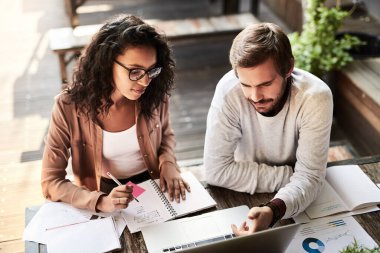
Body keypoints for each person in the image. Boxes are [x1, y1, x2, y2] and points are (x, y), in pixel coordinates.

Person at [41, 14, 190, 213]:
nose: (145, 82)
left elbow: (165, 135)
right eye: (135, 71)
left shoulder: (155, 94)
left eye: (151, 70)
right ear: (107, 63)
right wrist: (100, 201)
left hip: (155, 184)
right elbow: (50, 181)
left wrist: (168, 163)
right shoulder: (68, 107)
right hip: (104, 192)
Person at [203, 23, 333, 234]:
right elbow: (215, 171)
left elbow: (310, 176)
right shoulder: (228, 90)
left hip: (291, 200)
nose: (255, 97)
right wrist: (292, 175)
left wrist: (273, 209)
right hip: (241, 192)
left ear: (289, 68)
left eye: (265, 84)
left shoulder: (315, 97)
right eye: (246, 84)